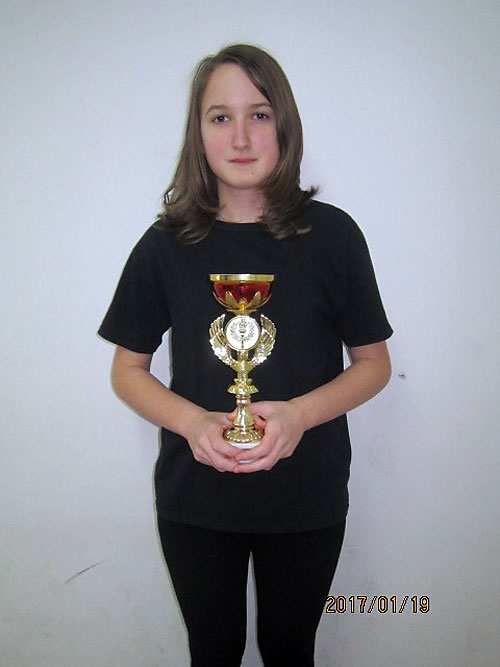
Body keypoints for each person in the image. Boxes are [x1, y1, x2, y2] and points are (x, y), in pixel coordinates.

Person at [99, 44, 393, 667]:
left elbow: (374, 364)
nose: (240, 137)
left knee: (291, 650)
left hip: (307, 494)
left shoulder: (334, 236)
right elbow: (128, 369)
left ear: (284, 124)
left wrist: (299, 415)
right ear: (198, 132)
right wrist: (192, 423)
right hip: (197, 499)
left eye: (259, 114)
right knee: (213, 652)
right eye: (220, 117)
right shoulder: (165, 244)